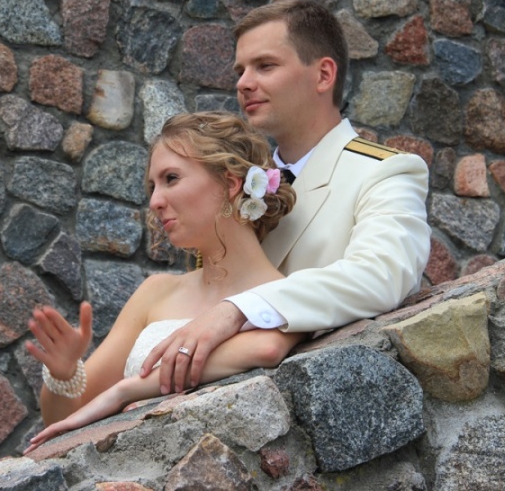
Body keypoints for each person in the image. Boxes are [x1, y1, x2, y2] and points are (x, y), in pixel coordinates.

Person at [140, 0, 431, 396]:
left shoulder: (384, 172)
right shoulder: (228, 186)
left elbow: (381, 275)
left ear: (323, 75)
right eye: (240, 70)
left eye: (265, 66)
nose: (243, 83)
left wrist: (239, 309)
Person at [24, 112, 301, 451]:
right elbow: (62, 424)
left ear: (230, 184)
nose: (155, 201)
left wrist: (127, 390)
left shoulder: (286, 297)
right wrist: (64, 374)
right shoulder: (154, 292)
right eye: (152, 186)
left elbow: (267, 348)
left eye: (171, 178)